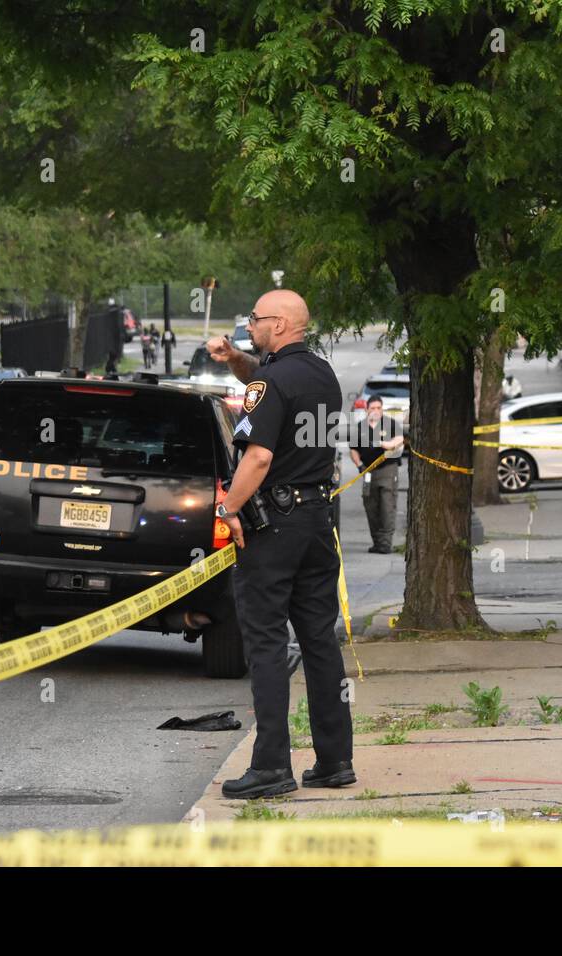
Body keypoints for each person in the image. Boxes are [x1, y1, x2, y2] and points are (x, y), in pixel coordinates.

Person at [205, 290, 355, 798]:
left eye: (256, 318)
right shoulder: (321, 374)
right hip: (316, 520)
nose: (250, 324)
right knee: (318, 639)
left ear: (282, 324)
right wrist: (236, 361)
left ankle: (271, 766)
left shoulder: (270, 382)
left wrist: (226, 510)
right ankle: (335, 760)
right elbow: (267, 382)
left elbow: (258, 459)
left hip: (273, 526)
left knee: (266, 642)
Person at [348, 395, 404, 553]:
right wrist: (359, 465)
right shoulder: (359, 428)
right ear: (366, 410)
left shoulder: (390, 424)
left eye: (379, 408)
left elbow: (399, 440)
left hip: (387, 470)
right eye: (372, 408)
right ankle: (377, 542)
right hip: (367, 472)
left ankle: (386, 543)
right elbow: (353, 450)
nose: (376, 411)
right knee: (370, 506)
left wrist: (384, 443)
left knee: (387, 505)